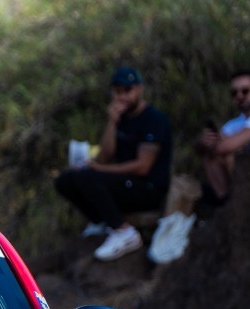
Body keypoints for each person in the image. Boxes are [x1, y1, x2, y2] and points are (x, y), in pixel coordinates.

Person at [55, 66, 173, 261]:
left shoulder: (154, 120)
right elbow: (104, 157)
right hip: (123, 183)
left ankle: (125, 233)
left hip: (149, 188)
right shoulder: (122, 119)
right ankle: (102, 221)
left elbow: (143, 167)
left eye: (128, 90)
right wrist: (112, 122)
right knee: (66, 180)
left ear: (139, 89)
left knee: (89, 177)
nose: (123, 96)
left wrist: (100, 169)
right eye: (118, 91)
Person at [197, 70, 250, 204]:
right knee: (210, 156)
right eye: (234, 92)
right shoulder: (234, 124)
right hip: (247, 182)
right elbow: (218, 146)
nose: (239, 96)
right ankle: (226, 204)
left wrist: (217, 144)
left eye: (245, 91)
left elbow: (225, 147)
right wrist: (205, 143)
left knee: (230, 154)